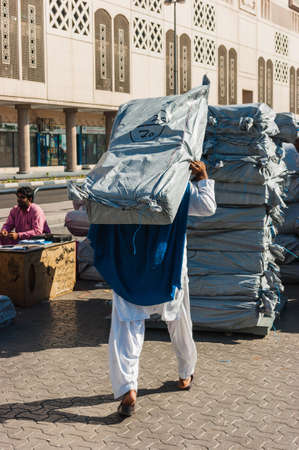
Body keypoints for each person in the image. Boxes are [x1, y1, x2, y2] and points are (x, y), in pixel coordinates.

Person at [89, 161, 216, 417]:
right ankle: (184, 374)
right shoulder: (176, 182)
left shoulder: (118, 179)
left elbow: (89, 209)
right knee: (179, 322)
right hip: (167, 267)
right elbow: (207, 207)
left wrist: (99, 175)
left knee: (125, 329)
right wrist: (202, 178)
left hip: (127, 267)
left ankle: (127, 389)